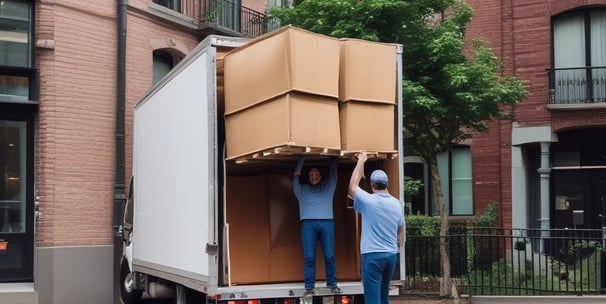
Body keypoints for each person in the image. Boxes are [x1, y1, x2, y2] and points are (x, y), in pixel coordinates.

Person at [348, 151, 404, 304]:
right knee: (383, 295)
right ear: (387, 184)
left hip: (372, 255)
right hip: (391, 255)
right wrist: (396, 240)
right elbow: (400, 229)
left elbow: (352, 186)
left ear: (372, 185)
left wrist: (361, 161)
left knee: (373, 298)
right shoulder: (396, 203)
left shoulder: (368, 201)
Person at [293, 155, 342, 296]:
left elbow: (333, 173)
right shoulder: (300, 190)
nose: (314, 176)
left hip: (327, 223)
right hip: (308, 224)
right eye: (311, 174)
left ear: (321, 176)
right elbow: (295, 175)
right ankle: (309, 287)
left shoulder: (329, 188)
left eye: (317, 174)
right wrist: (302, 158)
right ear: (307, 176)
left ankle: (332, 284)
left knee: (329, 256)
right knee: (309, 257)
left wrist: (335, 157)